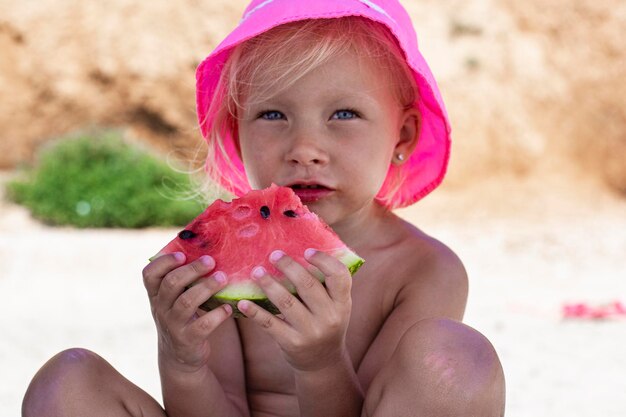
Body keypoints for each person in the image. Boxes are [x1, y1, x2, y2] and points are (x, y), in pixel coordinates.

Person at [22, 0, 506, 416]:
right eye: (272, 114)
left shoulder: (424, 271)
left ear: (401, 135)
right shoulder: (220, 256)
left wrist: (319, 360)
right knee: (68, 382)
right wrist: (181, 358)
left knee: (456, 359)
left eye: (344, 114)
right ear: (237, 132)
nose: (305, 148)